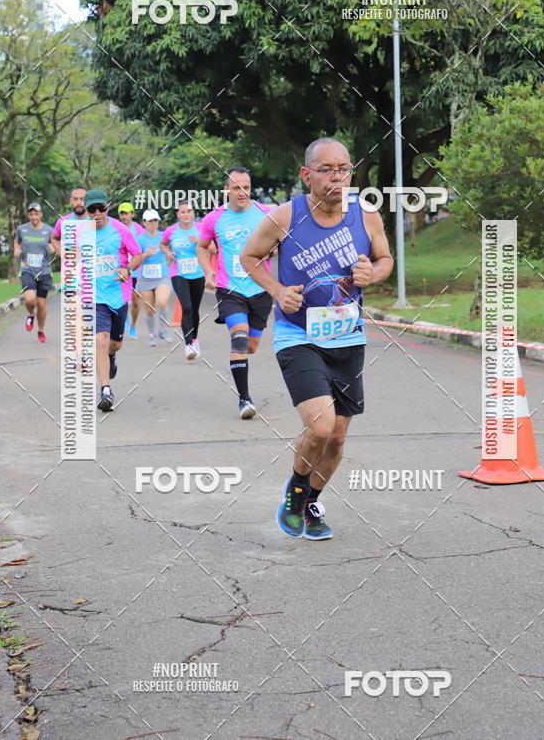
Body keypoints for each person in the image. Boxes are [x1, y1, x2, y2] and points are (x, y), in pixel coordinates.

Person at [241, 138, 393, 540]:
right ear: (306, 174)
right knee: (322, 427)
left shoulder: (366, 214)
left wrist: (372, 274)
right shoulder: (285, 217)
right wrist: (276, 290)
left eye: (343, 168)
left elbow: (385, 259)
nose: (337, 177)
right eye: (326, 170)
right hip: (298, 335)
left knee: (339, 437)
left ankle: (310, 502)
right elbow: (249, 256)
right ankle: (296, 489)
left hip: (347, 335)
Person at [196, 168, 273, 419]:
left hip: (261, 289)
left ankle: (243, 364)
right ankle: (245, 400)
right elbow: (201, 246)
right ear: (226, 189)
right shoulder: (214, 219)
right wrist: (208, 271)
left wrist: (269, 253)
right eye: (237, 187)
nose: (242, 192)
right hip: (230, 290)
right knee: (239, 339)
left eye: (247, 187)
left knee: (251, 345)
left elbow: (283, 242)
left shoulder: (266, 214)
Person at [78, 189, 142, 412]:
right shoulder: (80, 234)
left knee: (114, 344)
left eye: (101, 208)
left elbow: (138, 255)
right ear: (86, 211)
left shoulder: (120, 230)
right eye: (92, 210)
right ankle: (106, 389)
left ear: (107, 208)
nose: (97, 213)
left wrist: (127, 268)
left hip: (119, 295)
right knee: (100, 340)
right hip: (95, 297)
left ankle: (112, 356)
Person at [161, 201, 211, 360]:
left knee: (195, 309)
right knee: (187, 307)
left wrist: (198, 242)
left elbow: (214, 249)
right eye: (182, 212)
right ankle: (188, 345)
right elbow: (163, 244)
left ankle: (194, 340)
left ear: (193, 213)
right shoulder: (171, 231)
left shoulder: (201, 229)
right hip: (178, 273)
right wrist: (168, 252)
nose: (186, 214)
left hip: (197, 273)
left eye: (188, 211)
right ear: (177, 214)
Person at [14, 203, 54, 343]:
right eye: (31, 214)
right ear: (29, 216)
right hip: (27, 270)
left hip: (44, 271)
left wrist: (52, 249)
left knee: (41, 305)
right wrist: (17, 250)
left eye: (36, 214)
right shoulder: (22, 229)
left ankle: (41, 331)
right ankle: (30, 314)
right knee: (30, 299)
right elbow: (17, 241)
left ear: (41, 215)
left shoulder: (49, 230)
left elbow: (55, 247)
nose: (34, 217)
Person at [135, 208, 172, 346]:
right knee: (149, 309)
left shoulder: (164, 236)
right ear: (144, 223)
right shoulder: (139, 239)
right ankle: (151, 335)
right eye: (150, 221)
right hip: (145, 278)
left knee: (162, 302)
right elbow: (135, 258)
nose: (153, 223)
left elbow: (171, 248)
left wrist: (170, 253)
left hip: (162, 276)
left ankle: (163, 330)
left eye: (155, 220)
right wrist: (145, 254)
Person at [117, 201, 144, 339]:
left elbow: (141, 250)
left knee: (134, 301)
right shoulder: (115, 228)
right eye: (122, 213)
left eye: (126, 213)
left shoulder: (138, 230)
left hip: (135, 270)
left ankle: (133, 325)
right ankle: (125, 319)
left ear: (132, 214)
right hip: (121, 269)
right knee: (123, 300)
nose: (124, 216)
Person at [51, 186, 87, 255]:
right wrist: (59, 250)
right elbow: (54, 238)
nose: (79, 203)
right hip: (70, 264)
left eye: (82, 199)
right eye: (75, 199)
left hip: (90, 264)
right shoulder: (62, 221)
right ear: (71, 201)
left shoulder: (95, 220)